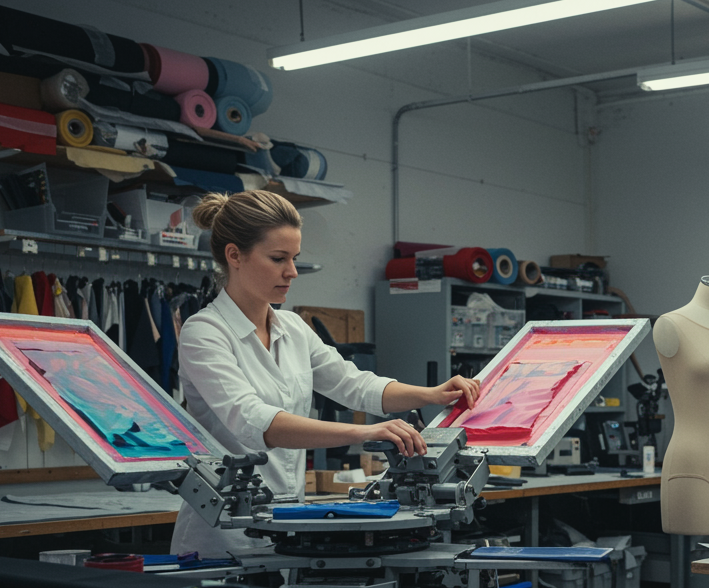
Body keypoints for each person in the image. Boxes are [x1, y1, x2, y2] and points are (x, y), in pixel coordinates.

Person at [169, 190, 480, 557]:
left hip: (286, 527)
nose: (292, 272)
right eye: (278, 258)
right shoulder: (204, 331)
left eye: (295, 258)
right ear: (234, 255)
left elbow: (355, 384)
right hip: (220, 538)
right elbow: (255, 421)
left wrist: (431, 393)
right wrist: (366, 431)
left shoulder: (291, 327)